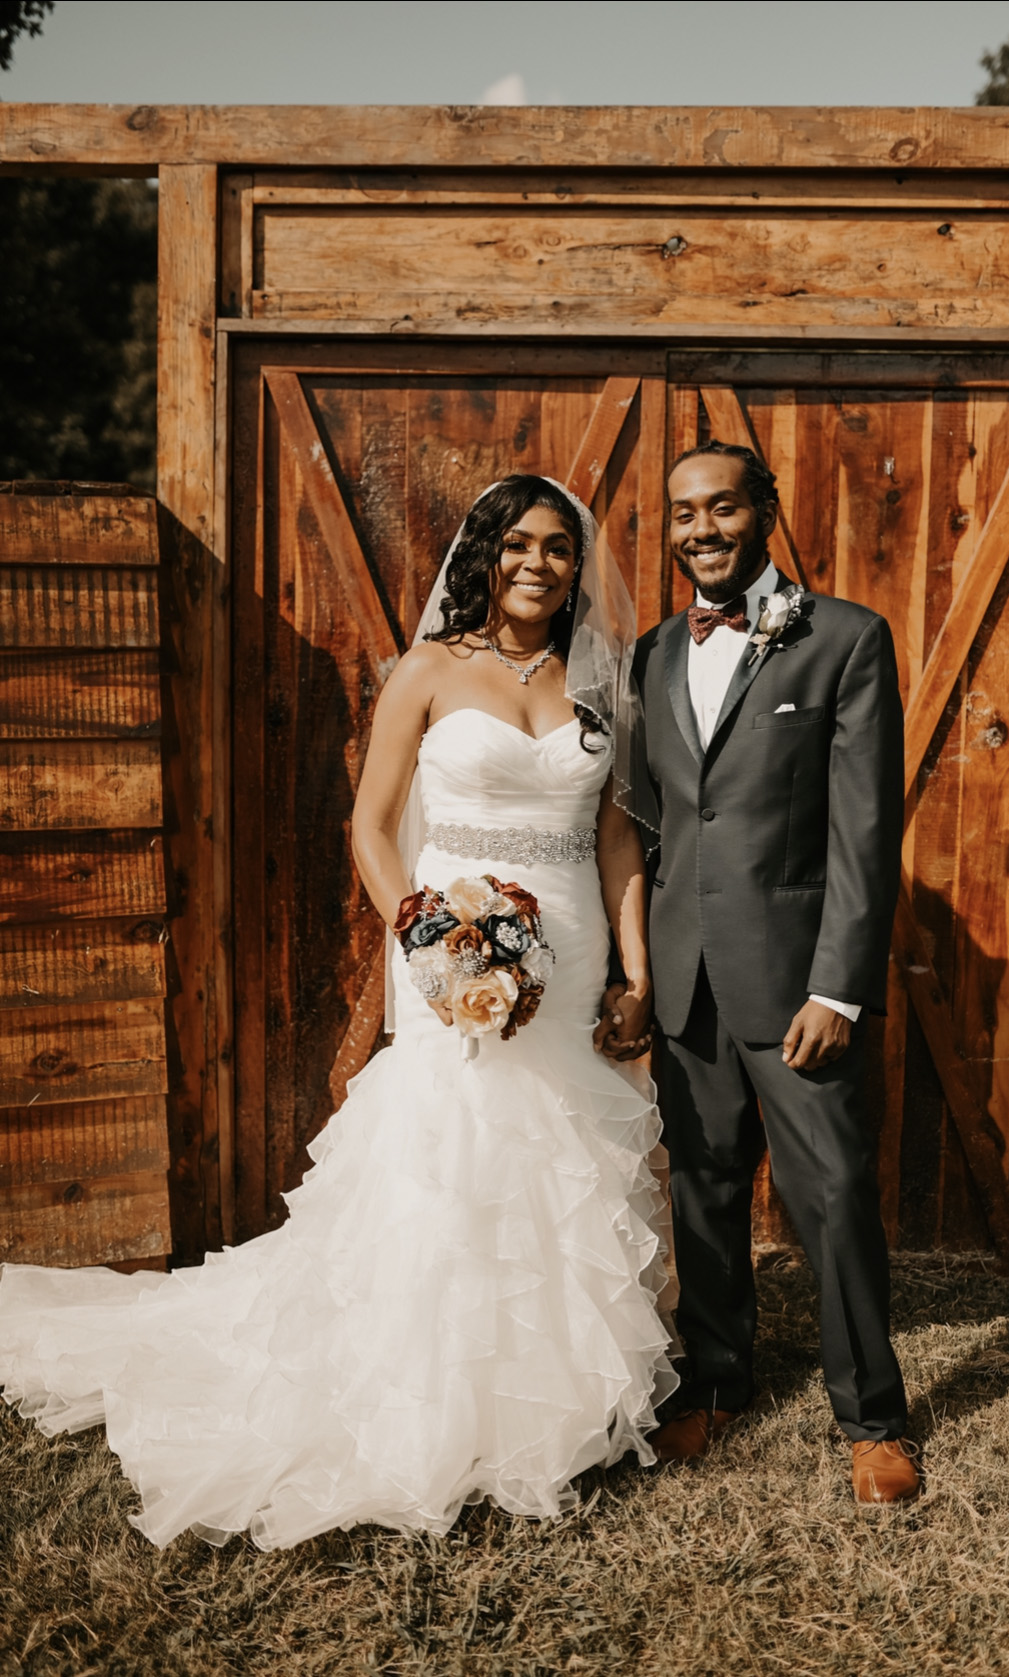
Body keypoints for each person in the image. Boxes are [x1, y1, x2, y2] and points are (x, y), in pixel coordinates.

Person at [0, 475, 676, 1550]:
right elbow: (371, 826)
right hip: (455, 949)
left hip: (576, 954)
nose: (540, 565)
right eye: (519, 546)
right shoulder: (429, 669)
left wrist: (634, 978)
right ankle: (431, 1402)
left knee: (561, 1158)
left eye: (559, 548)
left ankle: (548, 1406)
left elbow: (615, 838)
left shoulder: (595, 679)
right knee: (451, 1160)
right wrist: (426, 938)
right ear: (487, 558)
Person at [605, 440, 920, 1504]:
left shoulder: (845, 639)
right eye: (684, 513)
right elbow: (645, 827)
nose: (702, 530)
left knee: (833, 1197)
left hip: (797, 986)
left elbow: (865, 833)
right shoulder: (651, 652)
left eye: (724, 508)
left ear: (765, 511)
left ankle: (873, 1416)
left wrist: (838, 988)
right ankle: (718, 1384)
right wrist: (633, 968)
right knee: (701, 1195)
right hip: (687, 979)